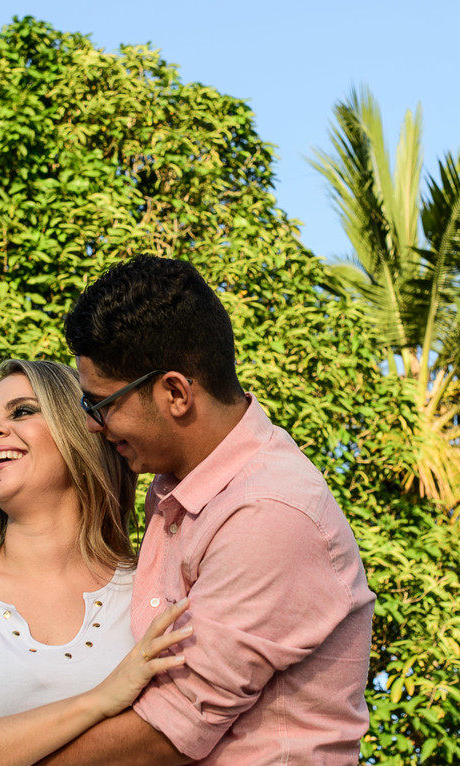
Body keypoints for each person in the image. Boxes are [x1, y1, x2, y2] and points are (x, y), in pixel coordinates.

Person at [39, 255, 375, 765]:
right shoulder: (186, 489)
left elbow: (169, 729)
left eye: (101, 404)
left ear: (175, 393)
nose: (93, 426)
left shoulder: (267, 513)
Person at [0, 359, 194, 766]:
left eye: (23, 411)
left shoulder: (153, 586)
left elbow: (189, 733)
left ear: (82, 432)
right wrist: (99, 700)